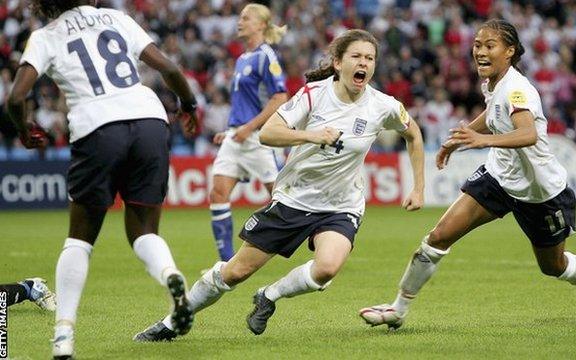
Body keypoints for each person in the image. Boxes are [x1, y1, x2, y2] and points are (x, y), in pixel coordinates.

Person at [134, 29, 425, 341]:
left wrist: (418, 187)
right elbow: (269, 134)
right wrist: (313, 135)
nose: (364, 63)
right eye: (356, 56)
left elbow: (413, 134)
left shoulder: (383, 105)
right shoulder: (314, 94)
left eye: (369, 58)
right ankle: (172, 323)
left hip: (342, 204)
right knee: (235, 272)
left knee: (326, 268)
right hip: (294, 199)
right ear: (338, 63)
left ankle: (269, 295)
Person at [359, 19, 576, 330]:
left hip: (539, 191)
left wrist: (481, 141)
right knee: (438, 237)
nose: (480, 52)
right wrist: (461, 138)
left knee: (553, 266)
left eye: (489, 46)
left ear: (510, 51)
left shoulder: (518, 90)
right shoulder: (492, 83)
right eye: (477, 45)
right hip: (499, 176)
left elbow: (529, 134)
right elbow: (493, 112)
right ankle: (398, 309)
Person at [7, 1, 199, 358]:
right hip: (149, 120)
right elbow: (169, 68)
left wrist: (24, 129)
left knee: (79, 240)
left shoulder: (45, 36)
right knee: (143, 230)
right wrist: (188, 106)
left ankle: (63, 337)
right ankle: (170, 274)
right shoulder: (116, 19)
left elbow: (16, 97)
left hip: (97, 126)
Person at [208, 3, 288, 261]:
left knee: (282, 197)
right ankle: (225, 262)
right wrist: (231, 129)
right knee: (218, 192)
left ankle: (318, 238)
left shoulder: (266, 56)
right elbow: (245, 102)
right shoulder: (242, 58)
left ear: (261, 25)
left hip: (258, 137)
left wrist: (248, 127)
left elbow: (280, 97)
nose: (239, 22)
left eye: (246, 18)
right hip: (237, 135)